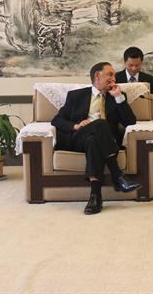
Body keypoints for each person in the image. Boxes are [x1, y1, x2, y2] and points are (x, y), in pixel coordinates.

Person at [51, 62, 142, 215]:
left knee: (94, 141)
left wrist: (118, 96)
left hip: (102, 141)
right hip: (77, 138)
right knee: (100, 124)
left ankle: (95, 196)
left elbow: (130, 122)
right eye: (110, 74)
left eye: (114, 75)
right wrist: (76, 126)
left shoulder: (117, 96)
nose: (114, 78)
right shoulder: (76, 96)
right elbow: (57, 120)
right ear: (97, 75)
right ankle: (117, 175)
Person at [115, 46, 153, 179]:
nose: (134, 68)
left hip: (145, 118)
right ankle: (122, 166)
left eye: (137, 65)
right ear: (125, 62)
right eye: (130, 65)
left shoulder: (150, 79)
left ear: (141, 62)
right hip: (122, 118)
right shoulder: (116, 78)